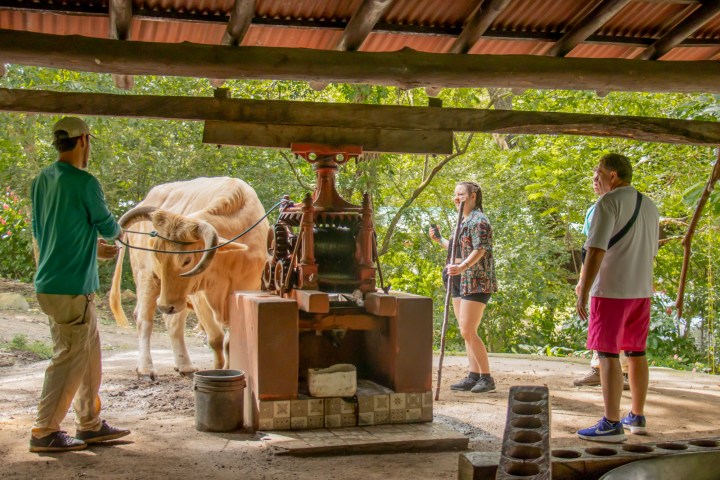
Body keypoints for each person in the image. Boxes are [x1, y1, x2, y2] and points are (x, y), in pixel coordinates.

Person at [29, 117, 130, 453]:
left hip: (52, 281)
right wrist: (116, 235)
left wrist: (92, 247)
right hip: (72, 286)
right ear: (84, 140)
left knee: (88, 356)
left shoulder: (42, 180)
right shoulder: (85, 182)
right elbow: (108, 226)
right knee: (69, 358)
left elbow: (51, 230)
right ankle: (44, 431)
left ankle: (90, 424)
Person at [576, 153, 659, 443]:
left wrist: (584, 289)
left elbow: (596, 249)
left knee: (607, 354)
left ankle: (611, 423)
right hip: (642, 291)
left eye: (598, 172)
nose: (595, 178)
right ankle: (637, 415)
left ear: (613, 175)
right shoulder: (649, 205)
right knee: (636, 353)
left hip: (611, 290)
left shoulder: (607, 203)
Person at [430, 181, 498, 393]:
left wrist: (462, 266)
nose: (456, 198)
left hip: (476, 279)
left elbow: (480, 249)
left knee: (468, 329)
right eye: (455, 195)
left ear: (473, 196)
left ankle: (487, 378)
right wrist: (439, 240)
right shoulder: (463, 220)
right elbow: (457, 248)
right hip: (458, 279)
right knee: (465, 331)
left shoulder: (480, 220)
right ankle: (473, 374)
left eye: (460, 194)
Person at [573, 170, 629, 390]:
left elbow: (600, 249)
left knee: (617, 326)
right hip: (596, 277)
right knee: (598, 325)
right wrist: (582, 280)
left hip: (616, 275)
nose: (595, 183)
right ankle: (597, 368)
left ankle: (623, 372)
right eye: (593, 180)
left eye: (599, 179)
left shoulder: (617, 206)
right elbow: (588, 248)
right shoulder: (593, 211)